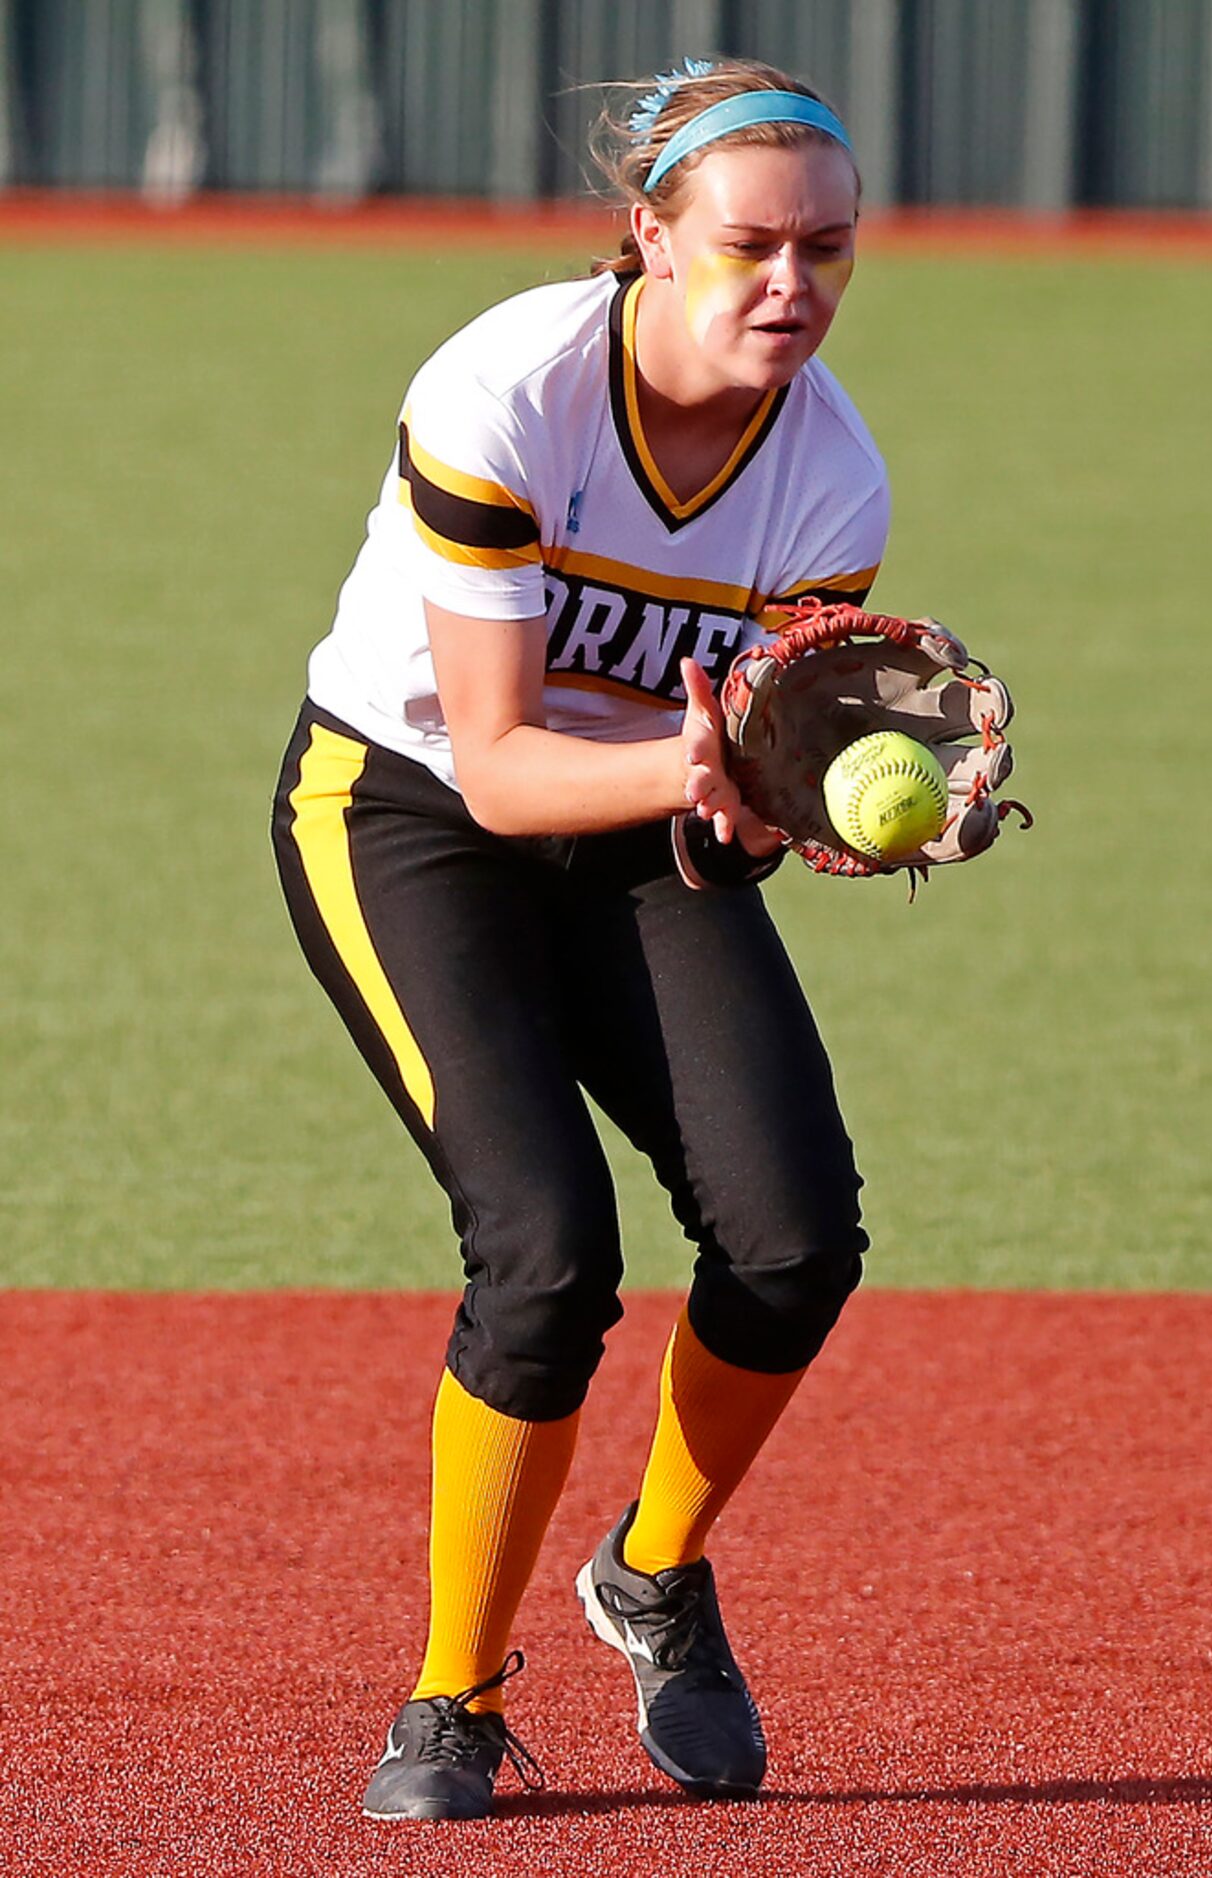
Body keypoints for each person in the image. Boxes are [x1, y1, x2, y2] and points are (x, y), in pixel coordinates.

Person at [272, 56, 888, 1822]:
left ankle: (652, 1571)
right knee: (544, 1257)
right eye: (749, 245)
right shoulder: (508, 390)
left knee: (790, 1239)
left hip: (630, 829)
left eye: (827, 252)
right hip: (406, 814)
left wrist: (788, 800)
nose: (789, 286)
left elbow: (729, 796)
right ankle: (451, 1695)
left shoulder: (829, 483)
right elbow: (499, 762)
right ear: (648, 236)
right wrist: (710, 763)